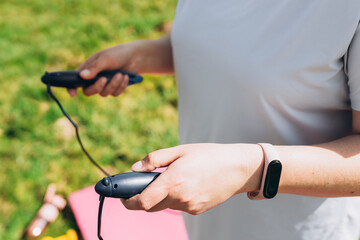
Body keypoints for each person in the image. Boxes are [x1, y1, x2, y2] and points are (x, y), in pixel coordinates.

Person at [68, 1, 360, 239]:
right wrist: (139, 56)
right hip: (206, 219)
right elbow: (224, 46)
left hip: (294, 229)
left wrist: (248, 170)